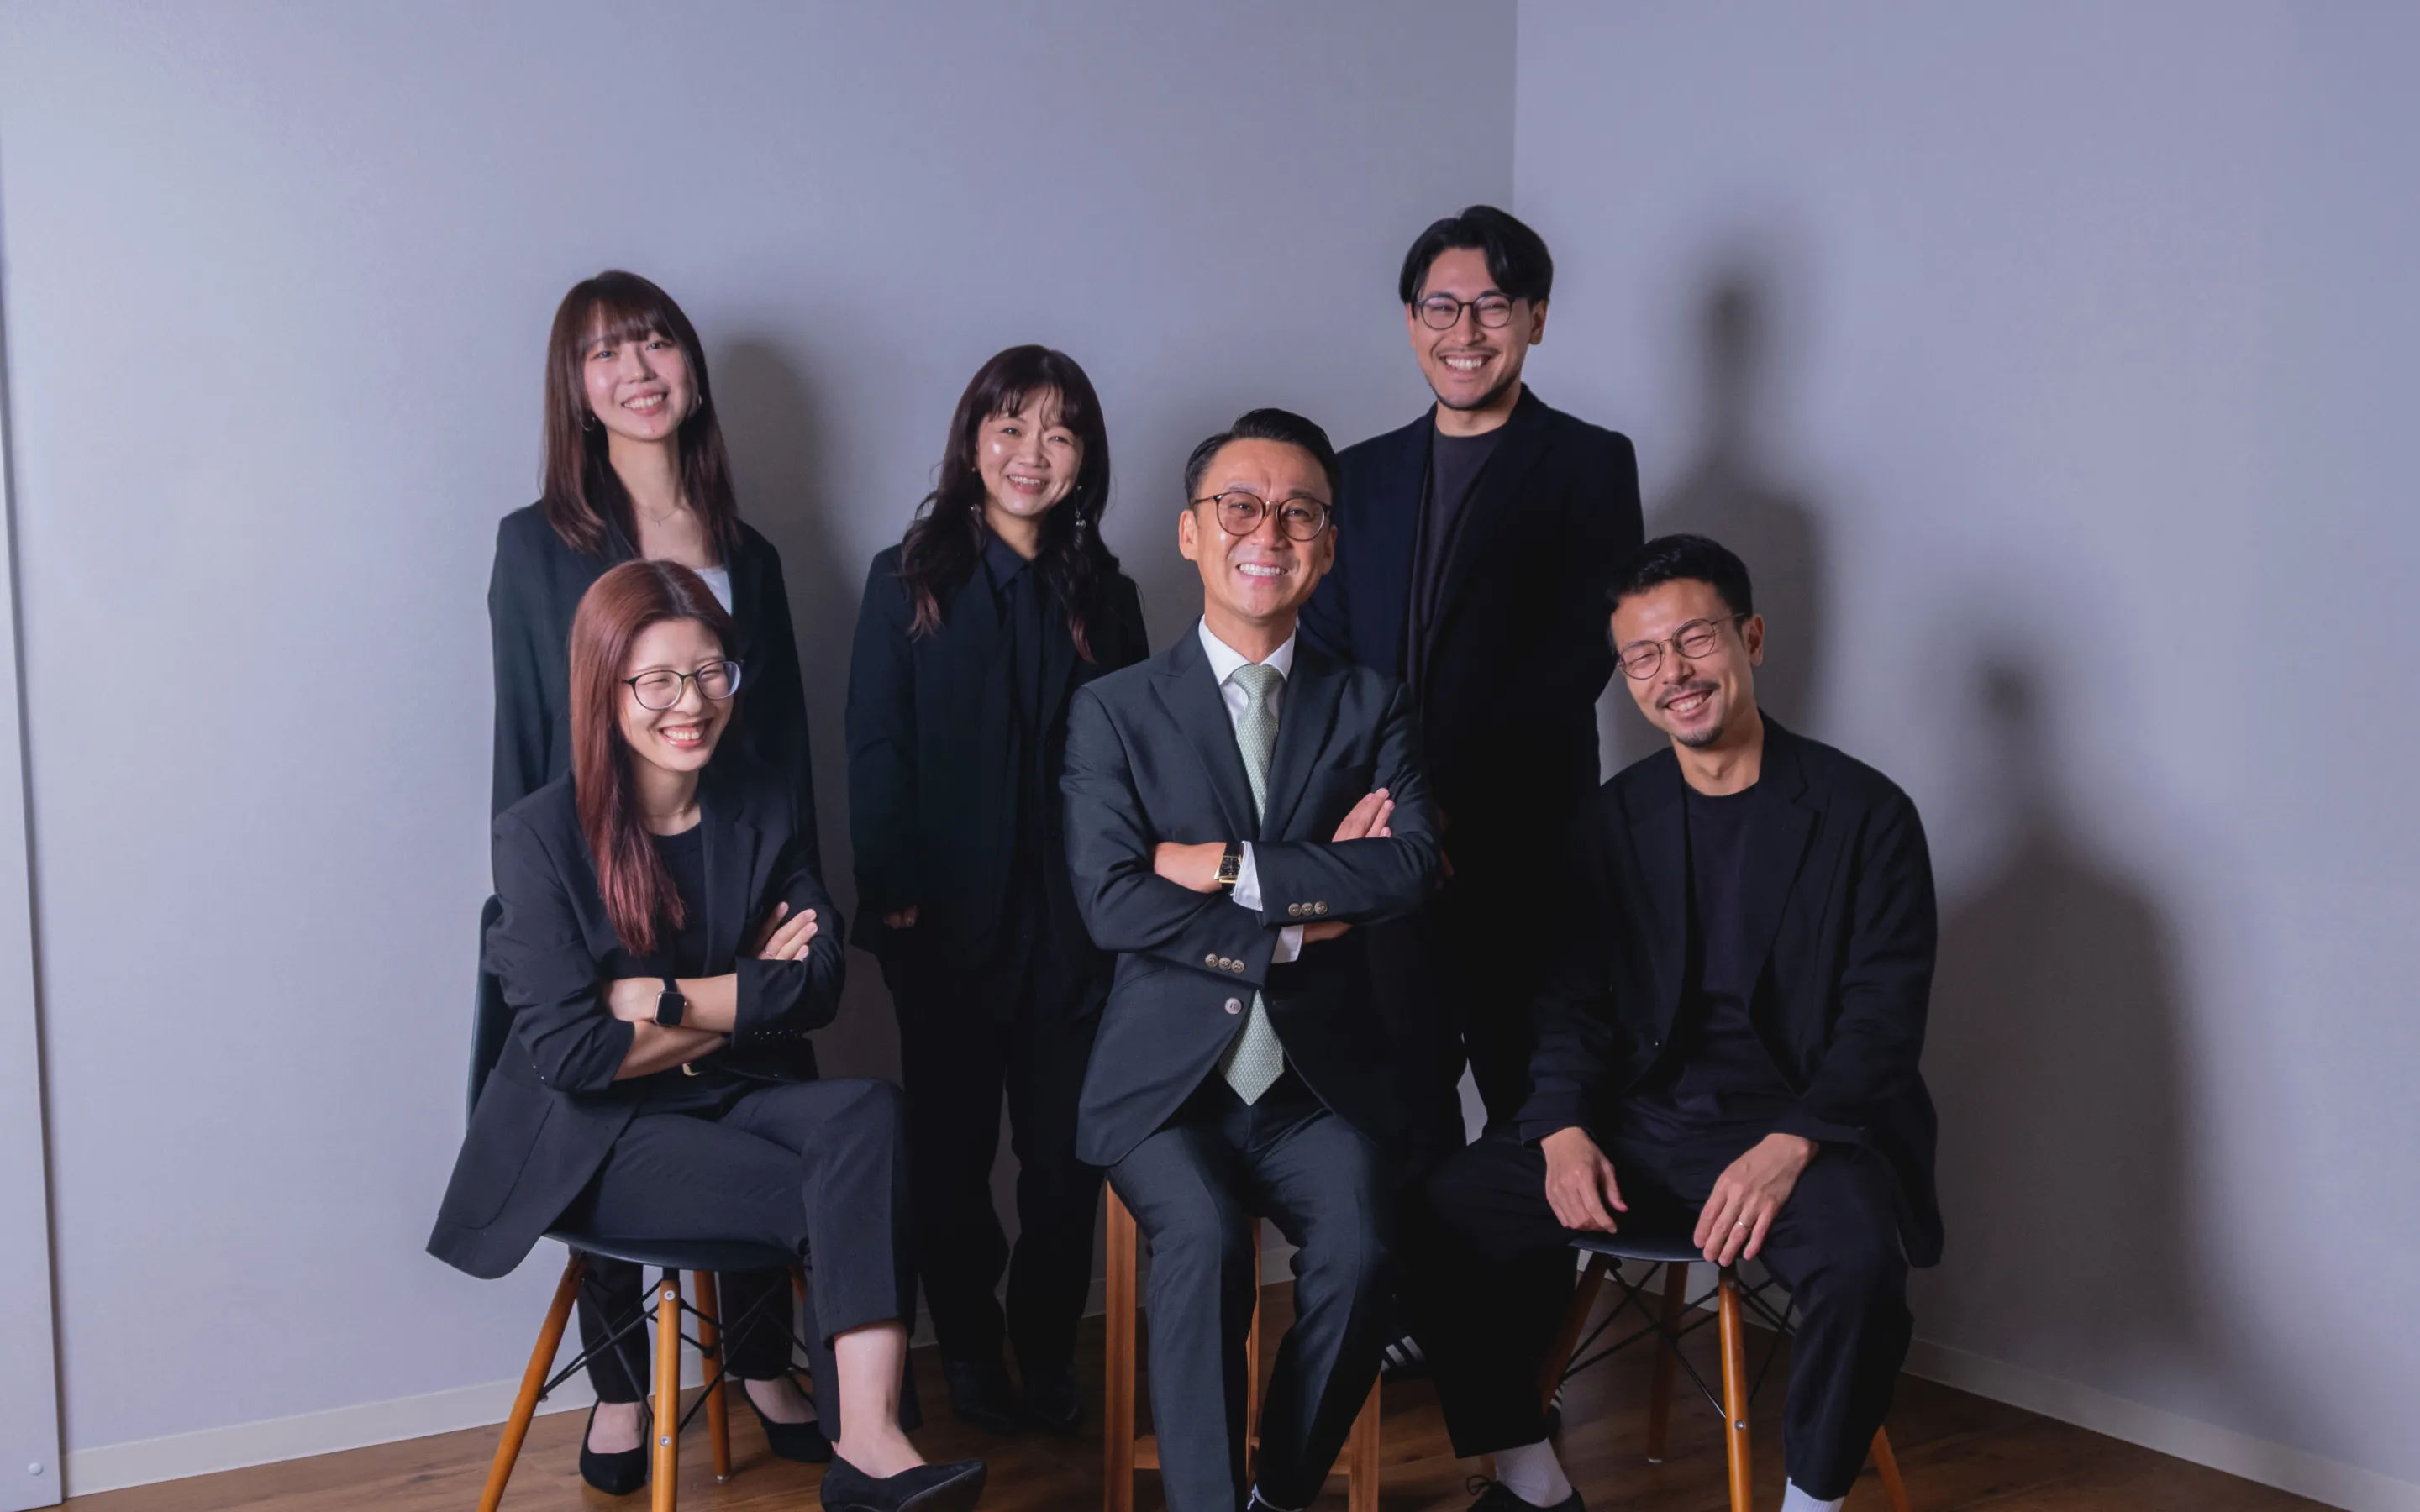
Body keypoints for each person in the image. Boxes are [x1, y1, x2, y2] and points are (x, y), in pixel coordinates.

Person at [430, 562, 986, 1512]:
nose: (690, 703)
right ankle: (869, 1456)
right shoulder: (538, 836)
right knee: (836, 1193)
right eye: (657, 681)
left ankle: (871, 1444)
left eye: (709, 673)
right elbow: (573, 1055)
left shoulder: (763, 802)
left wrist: (659, 1001)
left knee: (868, 1115)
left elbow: (814, 983)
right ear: (605, 689)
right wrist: (741, 997)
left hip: (728, 1098)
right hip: (596, 1135)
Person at [1410, 535, 1941, 1512]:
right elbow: (1569, 1003)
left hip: (1803, 1129)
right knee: (1436, 1212)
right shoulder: (1611, 821)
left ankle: (1812, 1504)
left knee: (1863, 1267)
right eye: (1643, 657)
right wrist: (1561, 1128)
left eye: (1695, 640)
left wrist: (1791, 1146)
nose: (1674, 675)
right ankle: (1533, 1483)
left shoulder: (1866, 814)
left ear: (1750, 638)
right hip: (1642, 1124)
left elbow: (1883, 1021)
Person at [1060, 410, 1442, 1512]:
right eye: (1240, 507)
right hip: (1164, 1088)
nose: (1268, 532)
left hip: (1316, 1085)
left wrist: (1224, 865)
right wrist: (1302, 916)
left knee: (1366, 1253)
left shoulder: (1372, 704)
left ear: (1327, 545)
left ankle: (1281, 1489)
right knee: (1206, 1241)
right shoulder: (1114, 711)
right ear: (1191, 533)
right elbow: (1111, 899)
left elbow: (1411, 866)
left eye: (1298, 513)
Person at [485, 270, 821, 1485]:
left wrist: (804, 899)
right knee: (610, 1107)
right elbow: (528, 744)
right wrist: (542, 911)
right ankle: (622, 1389)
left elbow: (783, 749)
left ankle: (764, 1358)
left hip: (734, 877)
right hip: (599, 882)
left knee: (765, 1083)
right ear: (575, 390)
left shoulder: (753, 554)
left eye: (656, 342)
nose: (636, 371)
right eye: (604, 353)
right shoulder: (535, 546)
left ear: (690, 367)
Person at [845, 346, 1148, 1435]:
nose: (1032, 452)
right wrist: (895, 886)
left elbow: (1138, 767)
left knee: (1065, 1165)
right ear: (973, 439)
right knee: (951, 1160)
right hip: (945, 924)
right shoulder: (906, 580)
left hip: (1074, 931)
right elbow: (877, 744)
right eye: (1011, 425)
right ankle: (968, 1353)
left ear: (1084, 458)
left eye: (1059, 432)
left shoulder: (1109, 596)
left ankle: (1048, 1352)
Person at [1302, 205, 1643, 1168]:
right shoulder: (1358, 476)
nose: (1466, 331)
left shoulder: (1589, 463)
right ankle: (1419, 1277)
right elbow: (1326, 657)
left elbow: (1578, 656)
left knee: (1533, 1117)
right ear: (1411, 320)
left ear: (1537, 318)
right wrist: (1394, 811)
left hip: (1522, 845)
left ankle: (1513, 1283)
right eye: (1441, 307)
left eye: (1493, 306)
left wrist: (1446, 808)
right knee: (1400, 1113)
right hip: (1387, 852)